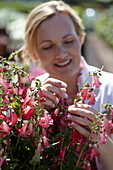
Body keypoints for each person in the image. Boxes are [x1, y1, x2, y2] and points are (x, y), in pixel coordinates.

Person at [22, 1, 113, 169]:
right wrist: (32, 119)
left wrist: (101, 138)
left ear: (80, 38)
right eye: (48, 46)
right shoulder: (31, 92)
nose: (61, 54)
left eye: (69, 41)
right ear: (34, 52)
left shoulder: (110, 89)